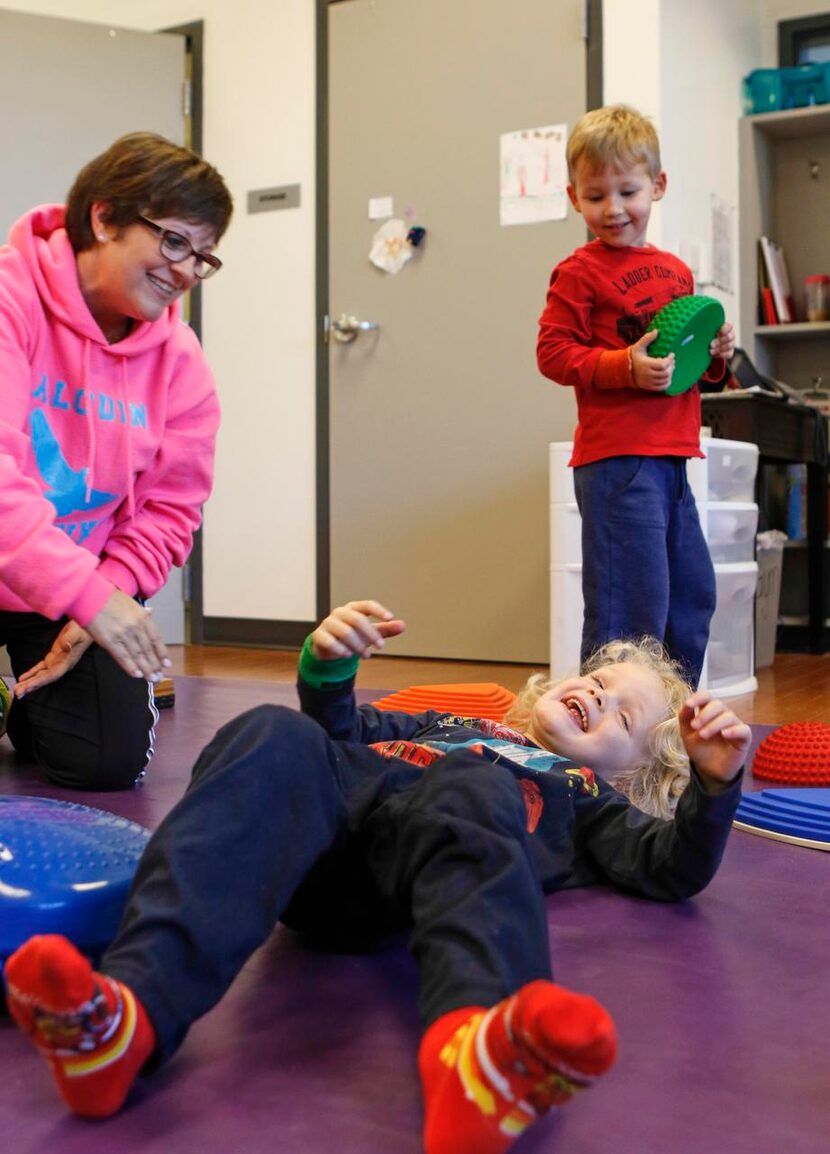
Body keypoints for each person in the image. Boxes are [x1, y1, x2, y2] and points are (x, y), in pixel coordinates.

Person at [5, 599, 750, 1154]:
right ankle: (128, 1017)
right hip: (313, 849)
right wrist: (329, 666)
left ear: (633, 779)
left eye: (622, 718)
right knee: (273, 733)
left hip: (406, 878)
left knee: (476, 787)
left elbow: (671, 867)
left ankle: (473, 1052)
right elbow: (342, 736)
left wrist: (713, 789)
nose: (597, 695)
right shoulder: (453, 727)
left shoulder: (588, 802)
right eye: (597, 680)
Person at [0, 131, 233, 790]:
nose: (187, 270)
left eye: (204, 256)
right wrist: (93, 597)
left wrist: (105, 598)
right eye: (175, 241)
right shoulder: (10, 299)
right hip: (56, 576)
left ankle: (24, 704)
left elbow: (171, 510)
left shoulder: (180, 361)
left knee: (107, 759)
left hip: (65, 594)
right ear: (103, 218)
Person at [537, 104, 736, 688]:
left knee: (691, 597)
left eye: (628, 191)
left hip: (673, 461)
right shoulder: (578, 271)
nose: (614, 209)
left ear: (658, 185)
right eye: (596, 195)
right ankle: (605, 743)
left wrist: (718, 354)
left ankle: (669, 731)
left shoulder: (676, 272)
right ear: (575, 197)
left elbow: (689, 368)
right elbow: (552, 353)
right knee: (630, 609)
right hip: (617, 463)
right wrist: (625, 366)